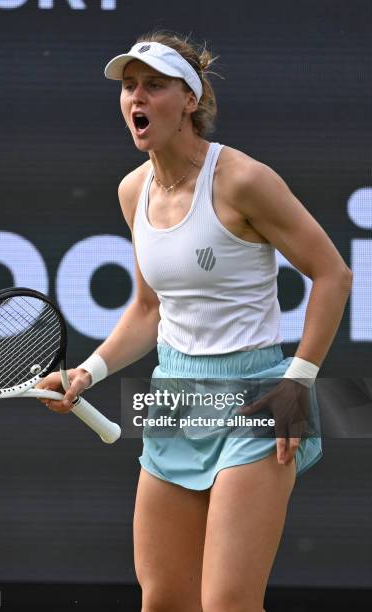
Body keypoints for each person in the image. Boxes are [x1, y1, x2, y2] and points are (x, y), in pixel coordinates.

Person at [36, 31, 353, 612]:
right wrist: (87, 372)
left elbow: (334, 275)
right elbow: (149, 309)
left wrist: (298, 381)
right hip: (175, 397)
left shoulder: (243, 180)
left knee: (228, 602)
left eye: (154, 85)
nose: (137, 97)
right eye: (129, 86)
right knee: (164, 601)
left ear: (190, 99)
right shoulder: (133, 192)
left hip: (259, 395)